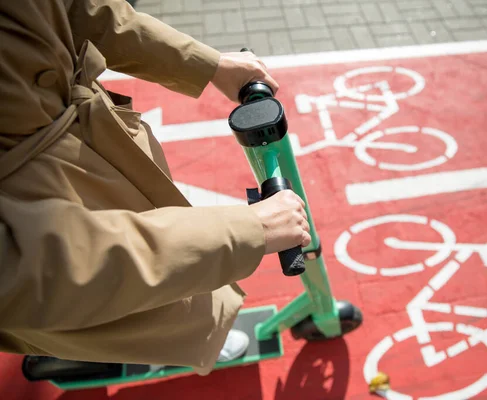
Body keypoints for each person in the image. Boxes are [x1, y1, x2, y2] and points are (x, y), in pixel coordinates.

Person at [0, 0, 310, 375]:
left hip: (93, 143)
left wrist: (206, 64)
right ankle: (178, 342)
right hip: (35, 206)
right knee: (154, 292)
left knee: (162, 243)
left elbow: (82, 10)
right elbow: (28, 266)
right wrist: (249, 230)